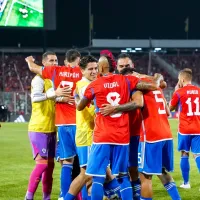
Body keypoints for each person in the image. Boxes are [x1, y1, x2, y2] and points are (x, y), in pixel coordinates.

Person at [75, 55, 163, 200]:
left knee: (97, 177)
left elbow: (80, 106)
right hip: (122, 136)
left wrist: (78, 98)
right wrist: (153, 77)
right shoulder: (127, 80)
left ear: (101, 67)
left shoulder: (95, 84)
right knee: (122, 176)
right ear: (113, 66)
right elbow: (154, 86)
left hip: (102, 136)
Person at [100, 67, 181, 200]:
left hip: (150, 136)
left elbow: (138, 103)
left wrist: (116, 108)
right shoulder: (156, 88)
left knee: (145, 176)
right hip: (166, 134)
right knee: (161, 170)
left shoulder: (138, 88)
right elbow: (167, 112)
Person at [25, 49, 82, 200]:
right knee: (42, 164)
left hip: (52, 128)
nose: (54, 63)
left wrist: (63, 98)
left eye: (56, 61)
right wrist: (54, 94)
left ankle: (47, 197)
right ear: (43, 63)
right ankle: (28, 197)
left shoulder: (52, 79)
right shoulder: (38, 79)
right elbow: (36, 98)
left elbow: (55, 98)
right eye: (51, 61)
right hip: (39, 127)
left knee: (50, 167)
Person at [65, 55, 98, 200]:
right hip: (87, 134)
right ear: (82, 71)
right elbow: (93, 112)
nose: (94, 71)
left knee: (93, 174)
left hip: (91, 133)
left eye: (96, 68)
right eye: (90, 69)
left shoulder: (90, 84)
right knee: (86, 174)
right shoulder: (85, 86)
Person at [170, 68, 200, 189]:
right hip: (198, 128)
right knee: (198, 155)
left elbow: (170, 108)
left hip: (184, 129)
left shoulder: (179, 92)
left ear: (182, 79)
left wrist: (176, 90)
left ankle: (186, 183)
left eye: (179, 80)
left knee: (184, 153)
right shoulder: (199, 91)